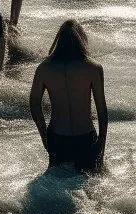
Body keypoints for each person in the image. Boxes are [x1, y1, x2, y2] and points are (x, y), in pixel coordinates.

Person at [29, 20, 107, 174]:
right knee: (91, 187)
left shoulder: (44, 68)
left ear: (58, 40)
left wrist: (44, 136)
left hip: (57, 137)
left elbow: (34, 104)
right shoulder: (93, 68)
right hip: (85, 137)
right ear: (82, 40)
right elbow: (102, 110)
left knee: (56, 185)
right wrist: (101, 145)